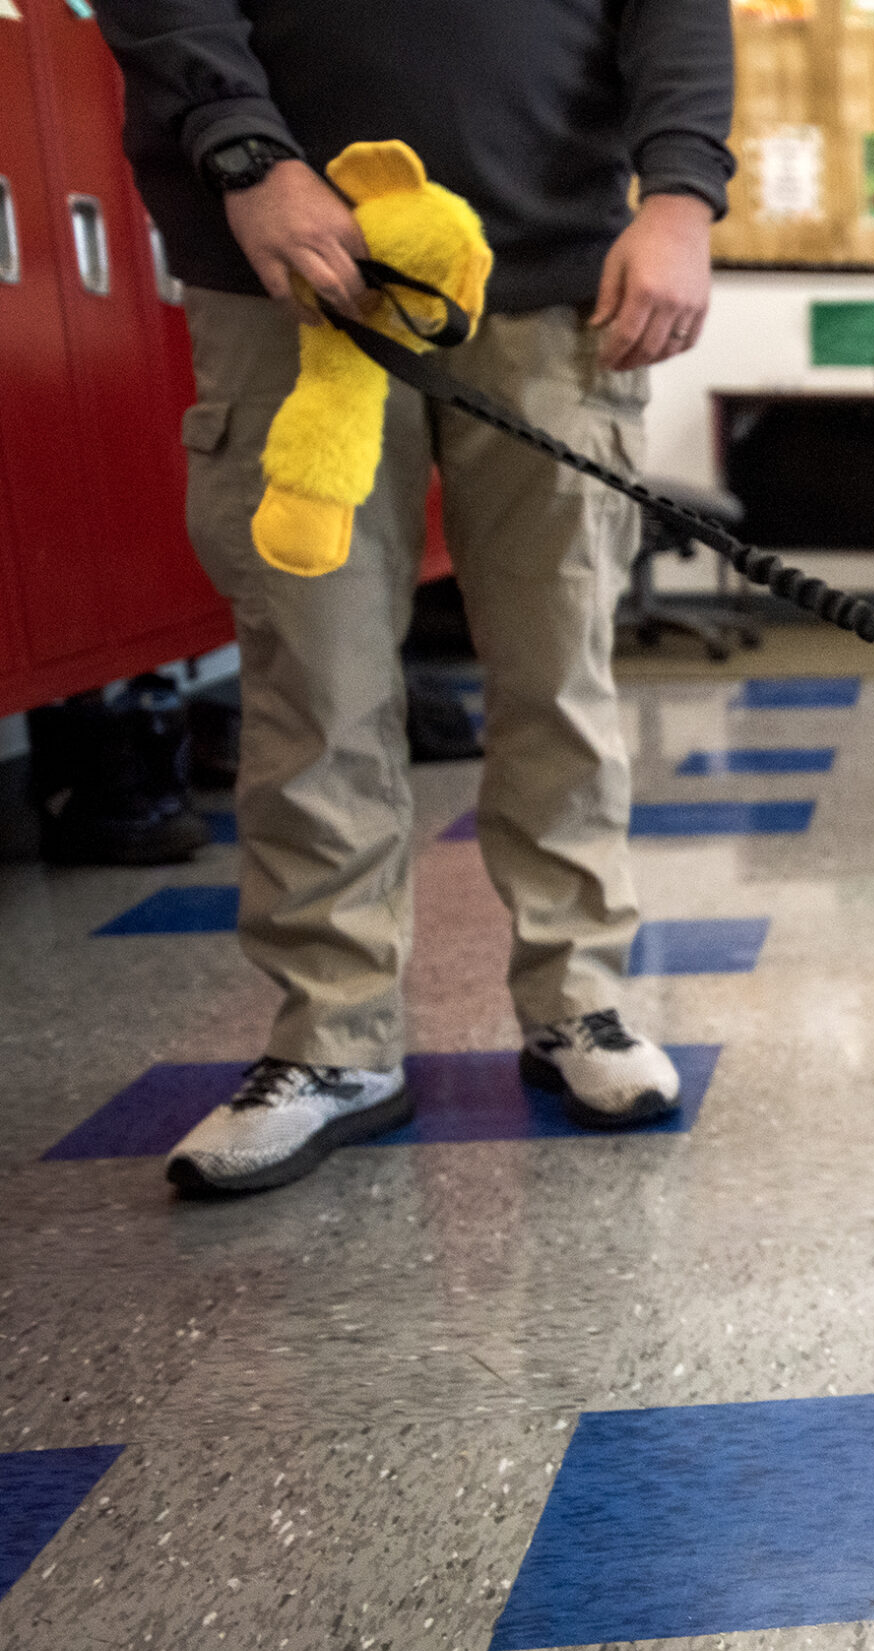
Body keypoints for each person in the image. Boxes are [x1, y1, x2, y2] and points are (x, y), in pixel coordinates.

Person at [96, 0, 735, 1195]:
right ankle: (330, 1042)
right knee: (313, 679)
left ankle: (579, 1003)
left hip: (551, 276)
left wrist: (681, 195)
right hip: (286, 267)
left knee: (559, 673)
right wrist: (244, 149)